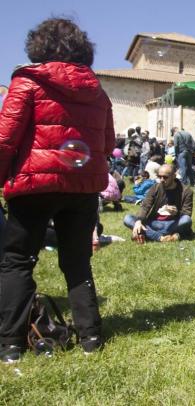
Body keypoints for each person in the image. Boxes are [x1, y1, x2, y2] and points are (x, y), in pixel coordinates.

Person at [0, 17, 113, 362]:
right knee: (77, 262)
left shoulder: (27, 83)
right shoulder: (98, 92)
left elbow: (5, 139)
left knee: (17, 261)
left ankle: (11, 344)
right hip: (80, 189)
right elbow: (107, 144)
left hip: (34, 186)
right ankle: (91, 338)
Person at [123, 164, 193, 242]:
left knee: (186, 220)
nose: (162, 179)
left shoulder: (186, 191)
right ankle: (162, 237)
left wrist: (176, 212)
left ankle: (146, 233)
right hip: (155, 223)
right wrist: (139, 221)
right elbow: (145, 206)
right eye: (159, 177)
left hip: (174, 223)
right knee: (128, 218)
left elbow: (187, 213)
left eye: (165, 177)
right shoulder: (155, 188)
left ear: (174, 176)